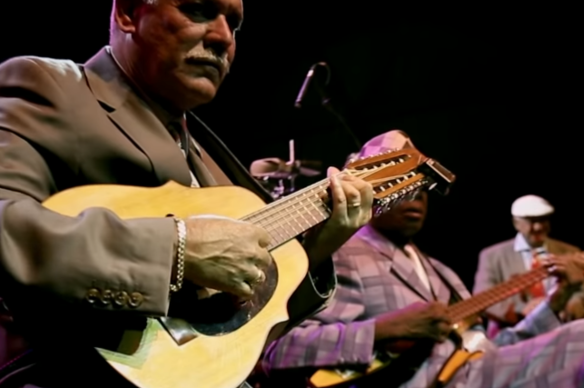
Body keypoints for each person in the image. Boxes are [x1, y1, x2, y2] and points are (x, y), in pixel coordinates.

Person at [0, 0, 374, 386]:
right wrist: (176, 251)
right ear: (129, 13)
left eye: (234, 24)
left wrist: (315, 250)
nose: (222, 37)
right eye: (197, 9)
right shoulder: (48, 85)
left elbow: (237, 336)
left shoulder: (212, 158)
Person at [261, 130, 584, 388]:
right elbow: (276, 351)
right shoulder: (341, 255)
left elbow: (493, 344)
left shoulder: (442, 273)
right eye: (399, 184)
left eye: (420, 188)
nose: (415, 196)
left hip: (478, 371)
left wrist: (556, 298)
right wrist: (380, 330)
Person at [474, 195, 584, 338]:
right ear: (516, 223)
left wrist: (560, 310)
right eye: (532, 221)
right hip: (510, 338)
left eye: (543, 220)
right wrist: (521, 309)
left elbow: (581, 293)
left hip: (558, 336)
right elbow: (481, 298)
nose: (538, 227)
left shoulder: (569, 252)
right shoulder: (492, 256)